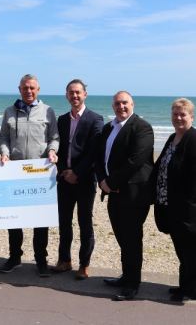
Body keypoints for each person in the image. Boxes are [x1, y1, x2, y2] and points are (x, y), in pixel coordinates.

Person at [0, 74, 59, 277]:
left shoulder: (48, 111)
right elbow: (4, 138)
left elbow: (55, 137)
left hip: (39, 173)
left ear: (38, 89)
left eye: (32, 88)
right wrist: (5, 153)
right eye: (25, 88)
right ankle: (14, 256)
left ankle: (41, 260)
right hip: (14, 173)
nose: (29, 91)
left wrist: (52, 150)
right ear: (19, 89)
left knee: (40, 221)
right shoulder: (9, 111)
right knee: (14, 219)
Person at [96, 91, 154, 301]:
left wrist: (110, 182)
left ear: (132, 104)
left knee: (132, 239)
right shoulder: (108, 128)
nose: (121, 107)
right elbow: (99, 157)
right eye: (117, 104)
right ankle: (126, 275)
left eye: (125, 103)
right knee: (122, 237)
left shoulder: (142, 127)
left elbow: (136, 161)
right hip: (113, 193)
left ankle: (132, 284)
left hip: (134, 194)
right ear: (113, 106)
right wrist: (102, 180)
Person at [54, 79, 103, 280]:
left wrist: (77, 173)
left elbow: (94, 152)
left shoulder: (96, 119)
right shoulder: (62, 119)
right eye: (71, 93)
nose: (74, 96)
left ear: (85, 94)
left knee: (85, 223)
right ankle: (64, 260)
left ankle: (84, 264)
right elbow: (58, 148)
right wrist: (64, 171)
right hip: (64, 179)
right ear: (66, 95)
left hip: (84, 181)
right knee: (64, 222)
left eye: (78, 92)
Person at [152, 98, 196, 302]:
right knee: (181, 249)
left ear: (191, 117)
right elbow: (161, 167)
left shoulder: (193, 139)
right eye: (175, 114)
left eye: (183, 114)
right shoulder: (172, 138)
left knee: (190, 250)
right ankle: (185, 285)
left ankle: (189, 290)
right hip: (169, 205)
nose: (178, 118)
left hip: (187, 209)